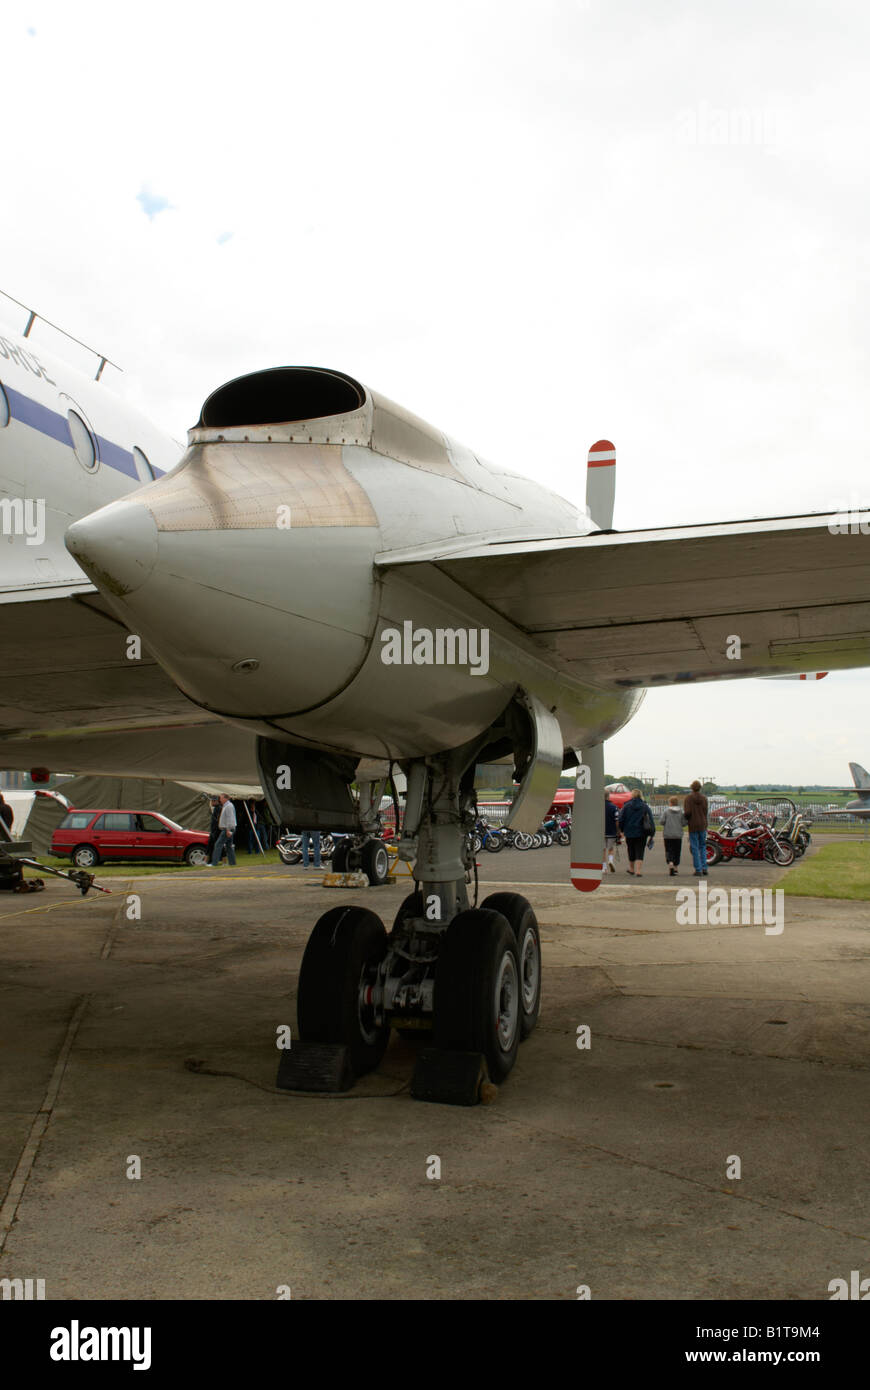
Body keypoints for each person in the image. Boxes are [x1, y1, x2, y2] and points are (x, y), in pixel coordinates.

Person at [618, 788, 655, 877]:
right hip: (642, 832)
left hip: (629, 831)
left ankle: (631, 869)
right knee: (640, 851)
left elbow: (621, 819)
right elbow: (651, 820)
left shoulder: (626, 806)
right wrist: (652, 833)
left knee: (630, 850)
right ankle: (638, 871)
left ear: (632, 795)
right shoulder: (645, 806)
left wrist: (621, 830)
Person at [684, 780, 709, 877]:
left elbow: (688, 812)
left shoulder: (688, 798)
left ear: (691, 788)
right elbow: (705, 811)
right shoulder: (704, 798)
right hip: (703, 824)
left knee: (694, 847)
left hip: (693, 825)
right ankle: (704, 867)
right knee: (702, 846)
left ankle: (698, 869)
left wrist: (685, 818)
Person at [661, 796, 688, 875]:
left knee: (669, 850)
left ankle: (670, 863)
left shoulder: (666, 812)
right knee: (677, 851)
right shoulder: (681, 812)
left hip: (668, 834)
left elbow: (662, 821)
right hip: (678, 835)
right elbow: (684, 823)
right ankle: (676, 867)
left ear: (671, 803)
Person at [210, 793, 237, 866]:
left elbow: (230, 818)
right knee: (229, 846)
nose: (220, 800)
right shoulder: (226, 806)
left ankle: (214, 863)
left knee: (218, 845)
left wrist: (228, 829)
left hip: (227, 829)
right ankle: (232, 863)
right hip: (228, 829)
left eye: (221, 798)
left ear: (225, 798)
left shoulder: (229, 806)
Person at [604, 795, 619, 873]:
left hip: (600, 832)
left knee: (602, 850)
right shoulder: (614, 807)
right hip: (611, 831)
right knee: (610, 848)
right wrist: (618, 831)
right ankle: (610, 860)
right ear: (608, 796)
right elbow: (616, 820)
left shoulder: (597, 807)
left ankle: (604, 868)